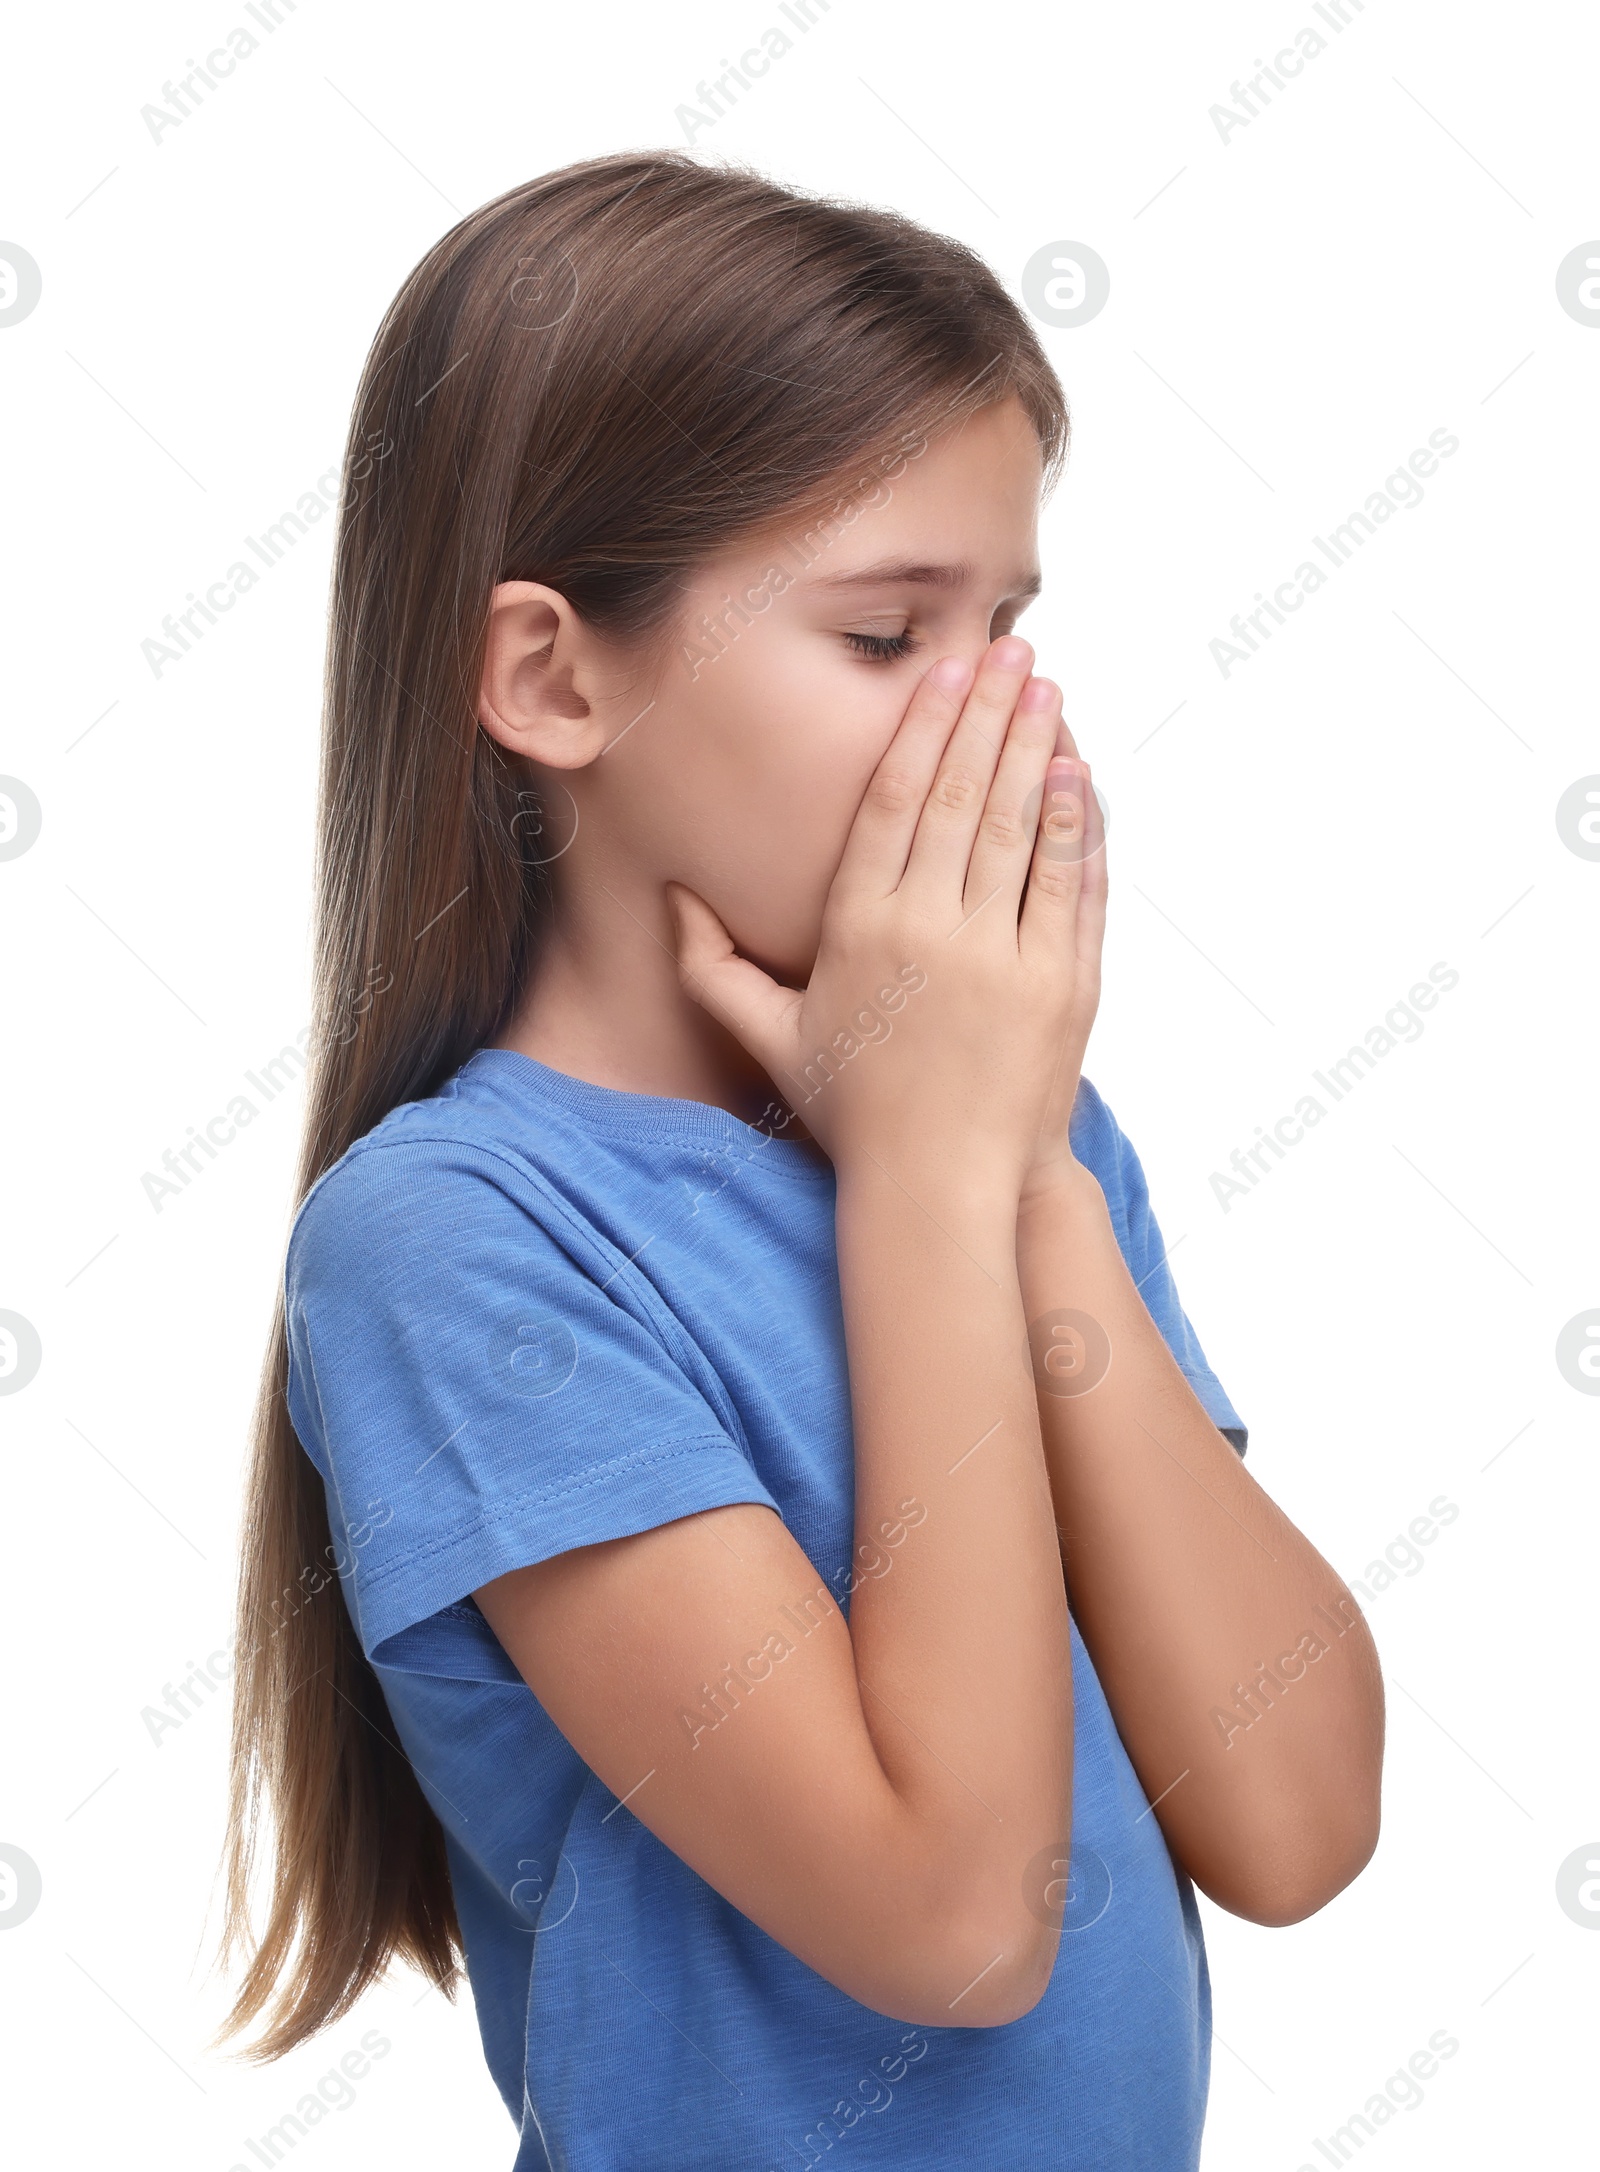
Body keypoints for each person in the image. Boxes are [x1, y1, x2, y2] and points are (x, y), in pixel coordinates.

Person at [219, 149, 1384, 2171]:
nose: (1001, 721)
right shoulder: (455, 1239)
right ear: (554, 679)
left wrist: (1007, 1169)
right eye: (878, 634)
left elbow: (1287, 1819)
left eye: (1007, 622)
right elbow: (949, 1924)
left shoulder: (1016, 1143)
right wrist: (932, 1178)